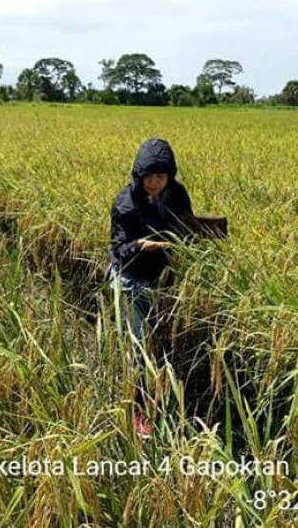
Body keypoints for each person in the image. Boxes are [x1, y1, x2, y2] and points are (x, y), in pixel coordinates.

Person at [108, 138, 195, 438]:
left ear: (170, 176)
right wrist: (141, 246)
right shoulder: (125, 203)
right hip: (131, 280)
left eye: (161, 177)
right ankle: (140, 411)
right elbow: (118, 249)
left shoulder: (178, 196)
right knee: (139, 347)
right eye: (149, 177)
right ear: (138, 176)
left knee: (161, 346)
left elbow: (186, 228)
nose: (155, 183)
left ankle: (166, 399)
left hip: (163, 280)